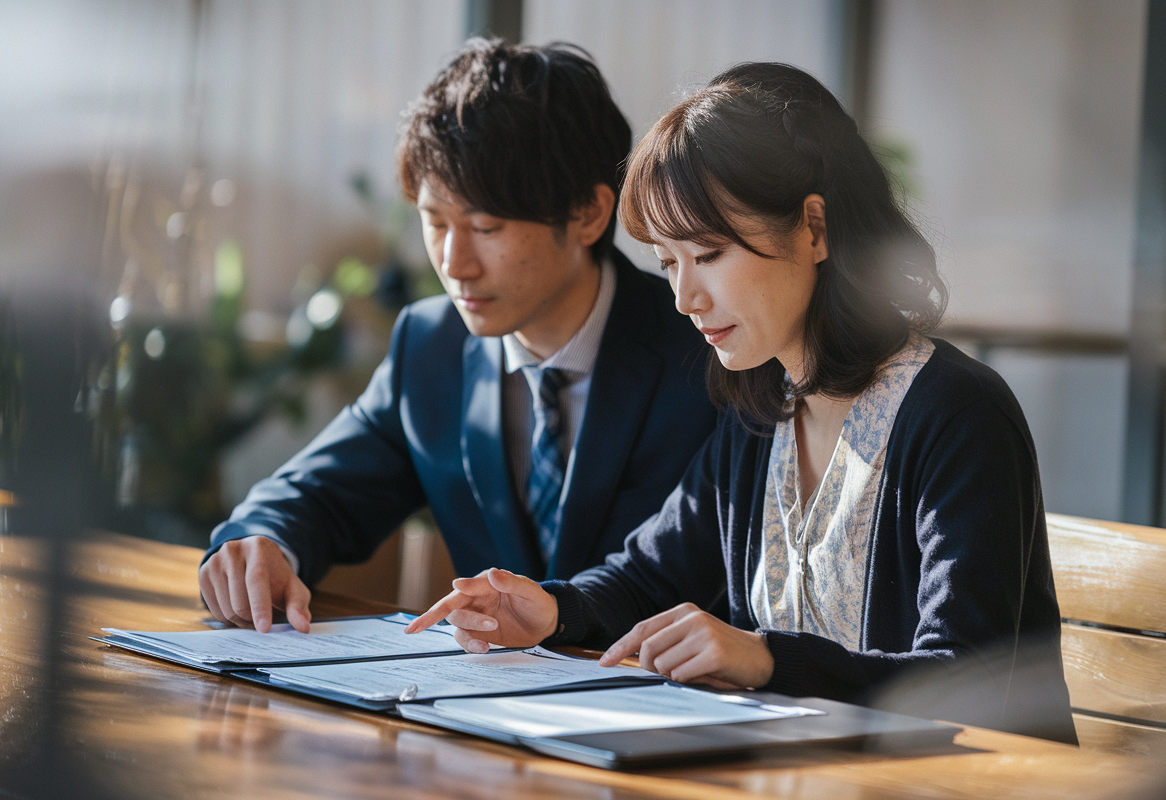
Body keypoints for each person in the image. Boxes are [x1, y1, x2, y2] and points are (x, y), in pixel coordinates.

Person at [407, 61, 1077, 743]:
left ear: (814, 229)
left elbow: (966, 678)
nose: (684, 299)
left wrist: (764, 658)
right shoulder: (763, 410)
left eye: (710, 253)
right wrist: (549, 609)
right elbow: (648, 574)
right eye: (669, 262)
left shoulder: (956, 413)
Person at [198, 39, 716, 634]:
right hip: (474, 705)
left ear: (589, 215)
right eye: (434, 221)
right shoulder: (430, 345)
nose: (454, 262)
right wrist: (262, 542)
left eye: (486, 226)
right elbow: (321, 491)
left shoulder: (705, 352)